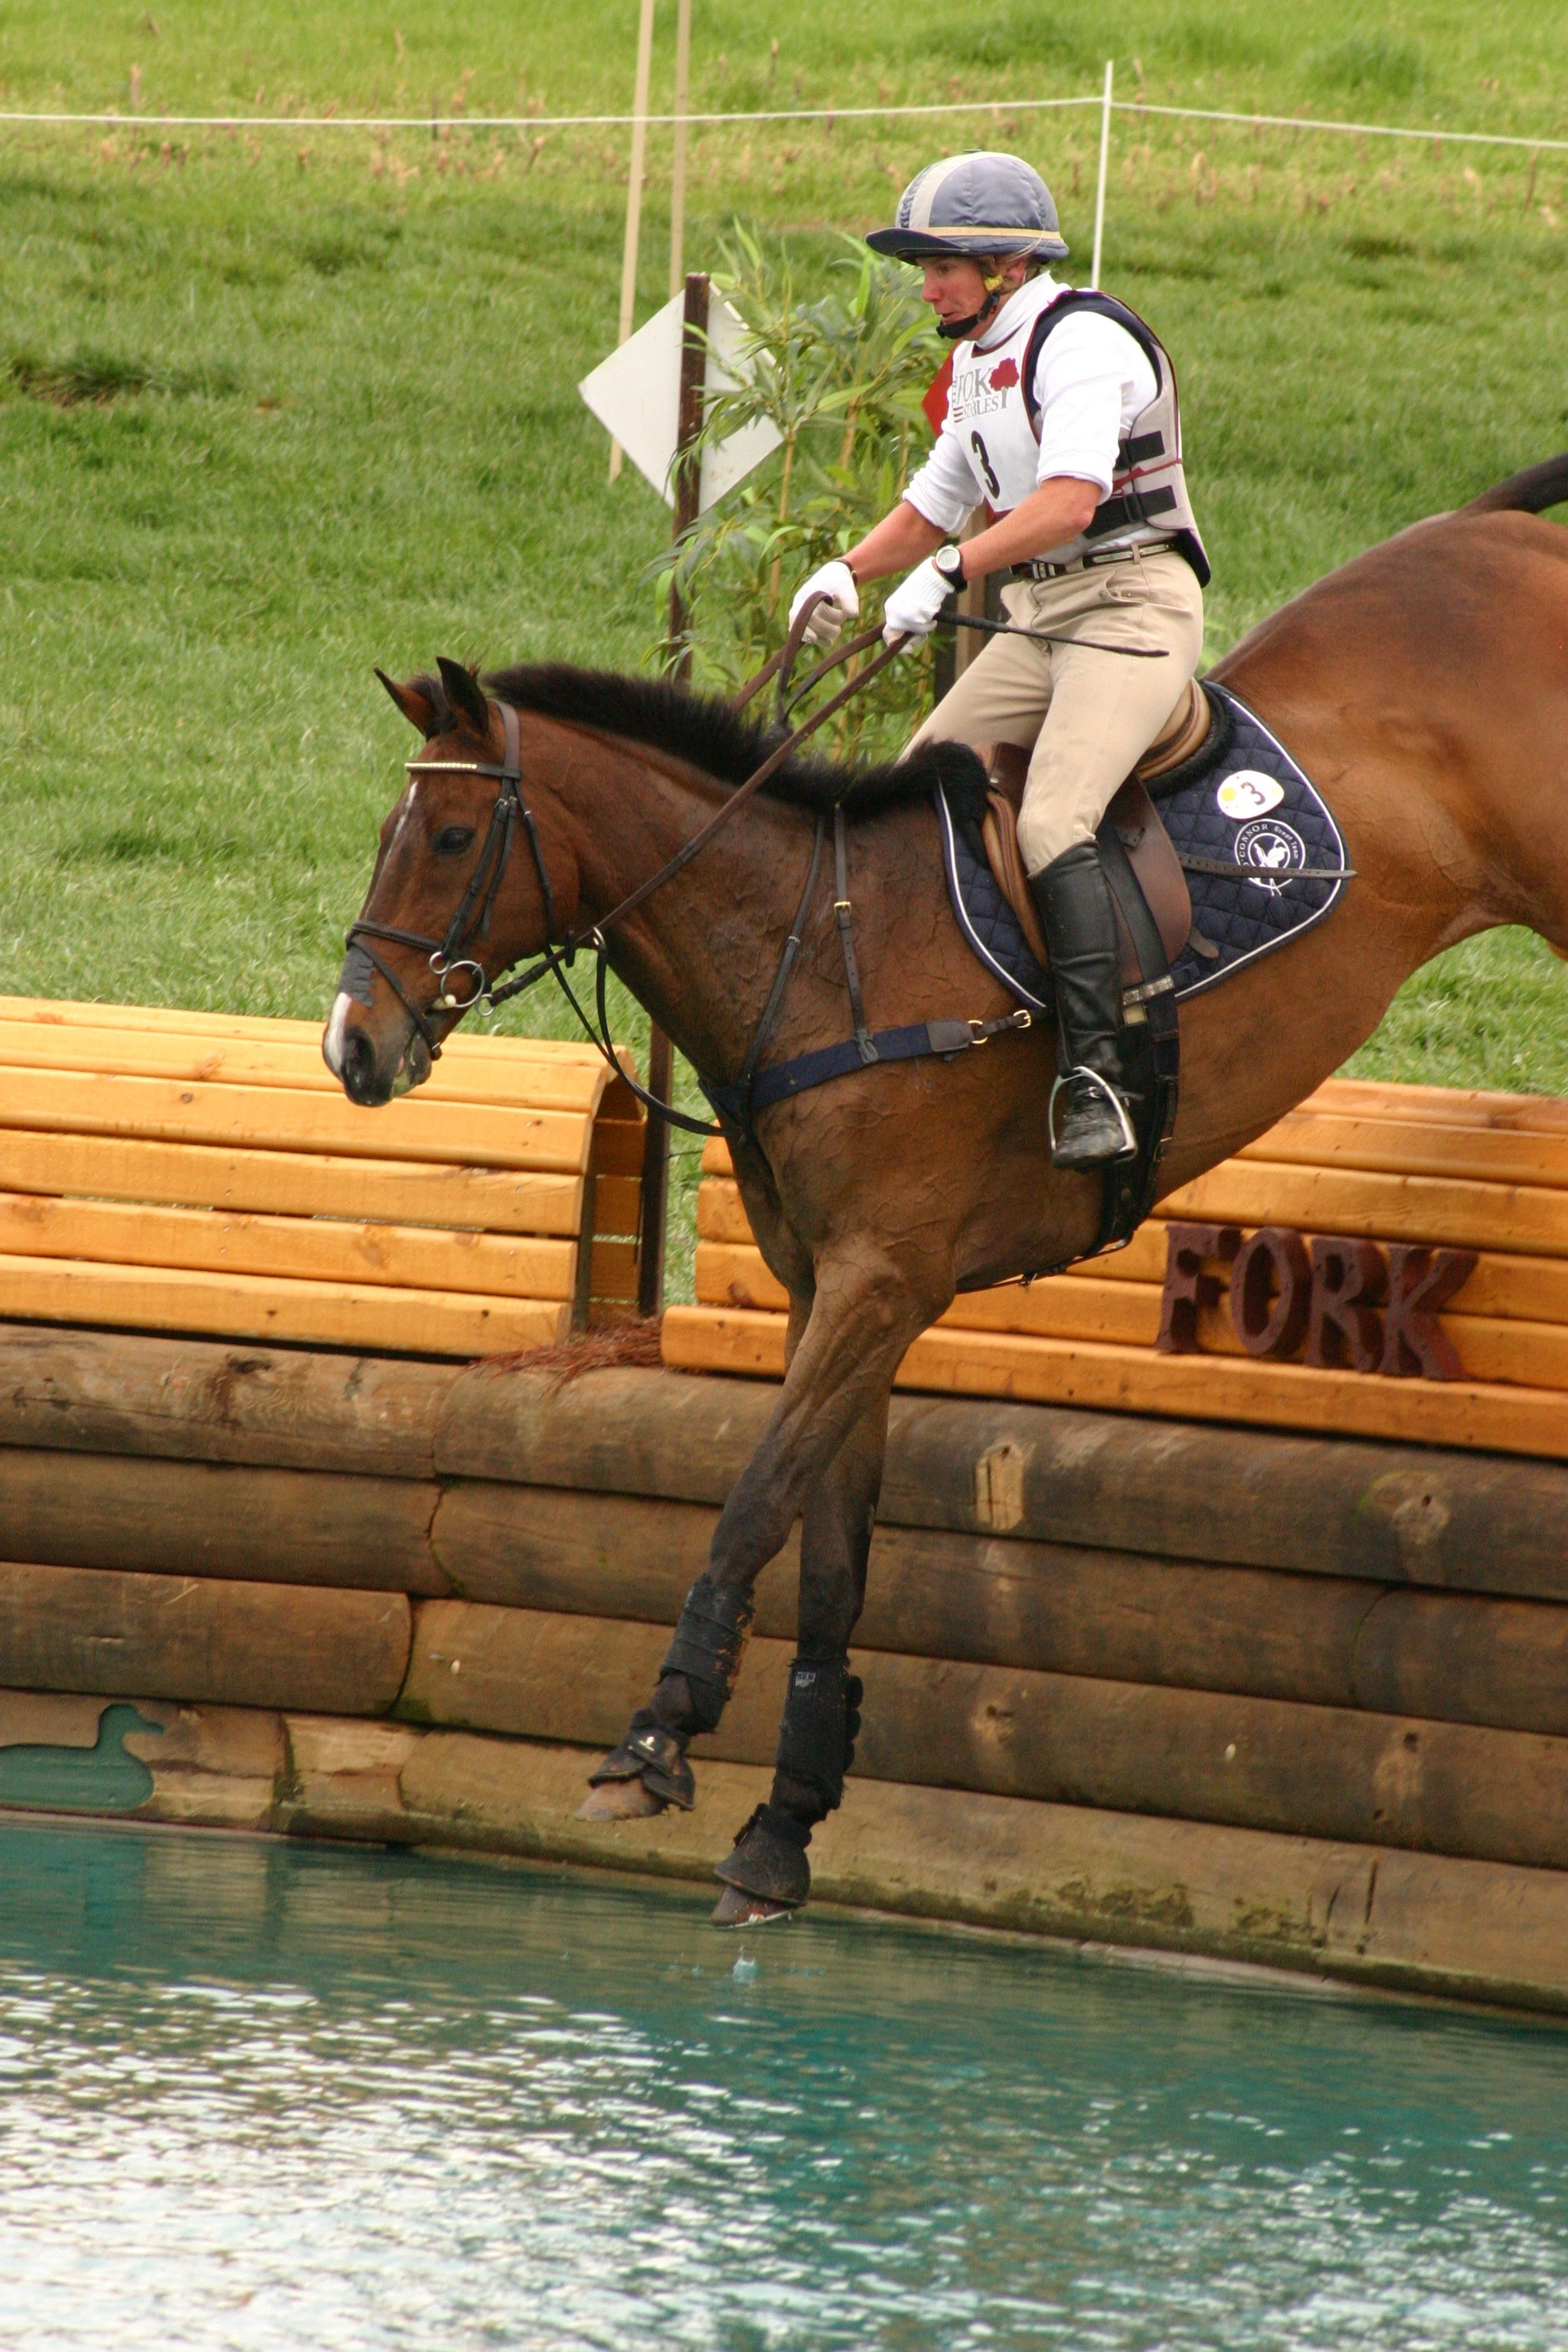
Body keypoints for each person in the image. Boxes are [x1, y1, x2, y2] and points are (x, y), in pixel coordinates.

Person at [790, 151, 1208, 1172]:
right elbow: (934, 502)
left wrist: (949, 571)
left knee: (1054, 819)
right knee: (910, 798)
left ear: (1008, 266)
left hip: (1132, 607)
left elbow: (1067, 503)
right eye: (923, 269)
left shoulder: (1082, 340)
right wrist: (846, 569)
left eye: (941, 267)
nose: (925, 288)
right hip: (1039, 616)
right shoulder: (981, 361)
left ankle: (1099, 1075)